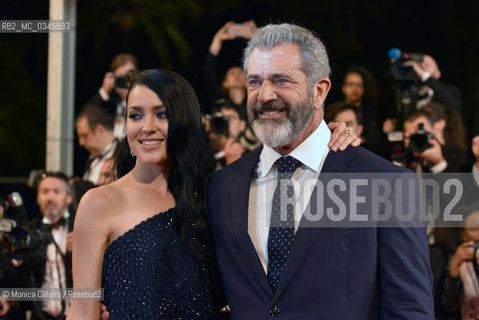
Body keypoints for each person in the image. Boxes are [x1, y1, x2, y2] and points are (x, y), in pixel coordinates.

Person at [72, 67, 359, 319]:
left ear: (185, 122)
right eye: (136, 115)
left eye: (162, 114)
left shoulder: (211, 197)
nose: (147, 127)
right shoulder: (98, 204)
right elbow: (82, 311)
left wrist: (324, 137)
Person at [206, 23, 434, 319]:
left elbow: (409, 310)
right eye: (254, 81)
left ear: (319, 91)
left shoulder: (387, 184)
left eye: (281, 80)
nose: (264, 95)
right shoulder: (221, 185)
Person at [29, 171, 75, 320]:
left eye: (56, 192)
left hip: (76, 314)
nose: (50, 198)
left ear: (68, 197)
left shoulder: (81, 227)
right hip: (41, 315)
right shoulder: (30, 231)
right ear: (37, 198)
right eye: (44, 192)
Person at [328, 65, 382, 154]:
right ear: (343, 87)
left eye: (359, 85)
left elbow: (374, 144)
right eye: (350, 84)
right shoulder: (332, 109)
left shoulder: (370, 115)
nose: (354, 88)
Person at [86, 53, 139, 139]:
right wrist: (104, 91)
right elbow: (86, 117)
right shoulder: (109, 105)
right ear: (115, 81)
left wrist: (130, 99)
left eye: (130, 76)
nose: (127, 82)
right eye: (121, 79)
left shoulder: (145, 101)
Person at [75, 105, 118, 185]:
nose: (81, 143)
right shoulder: (91, 159)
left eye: (85, 135)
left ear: (99, 130)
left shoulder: (122, 154)